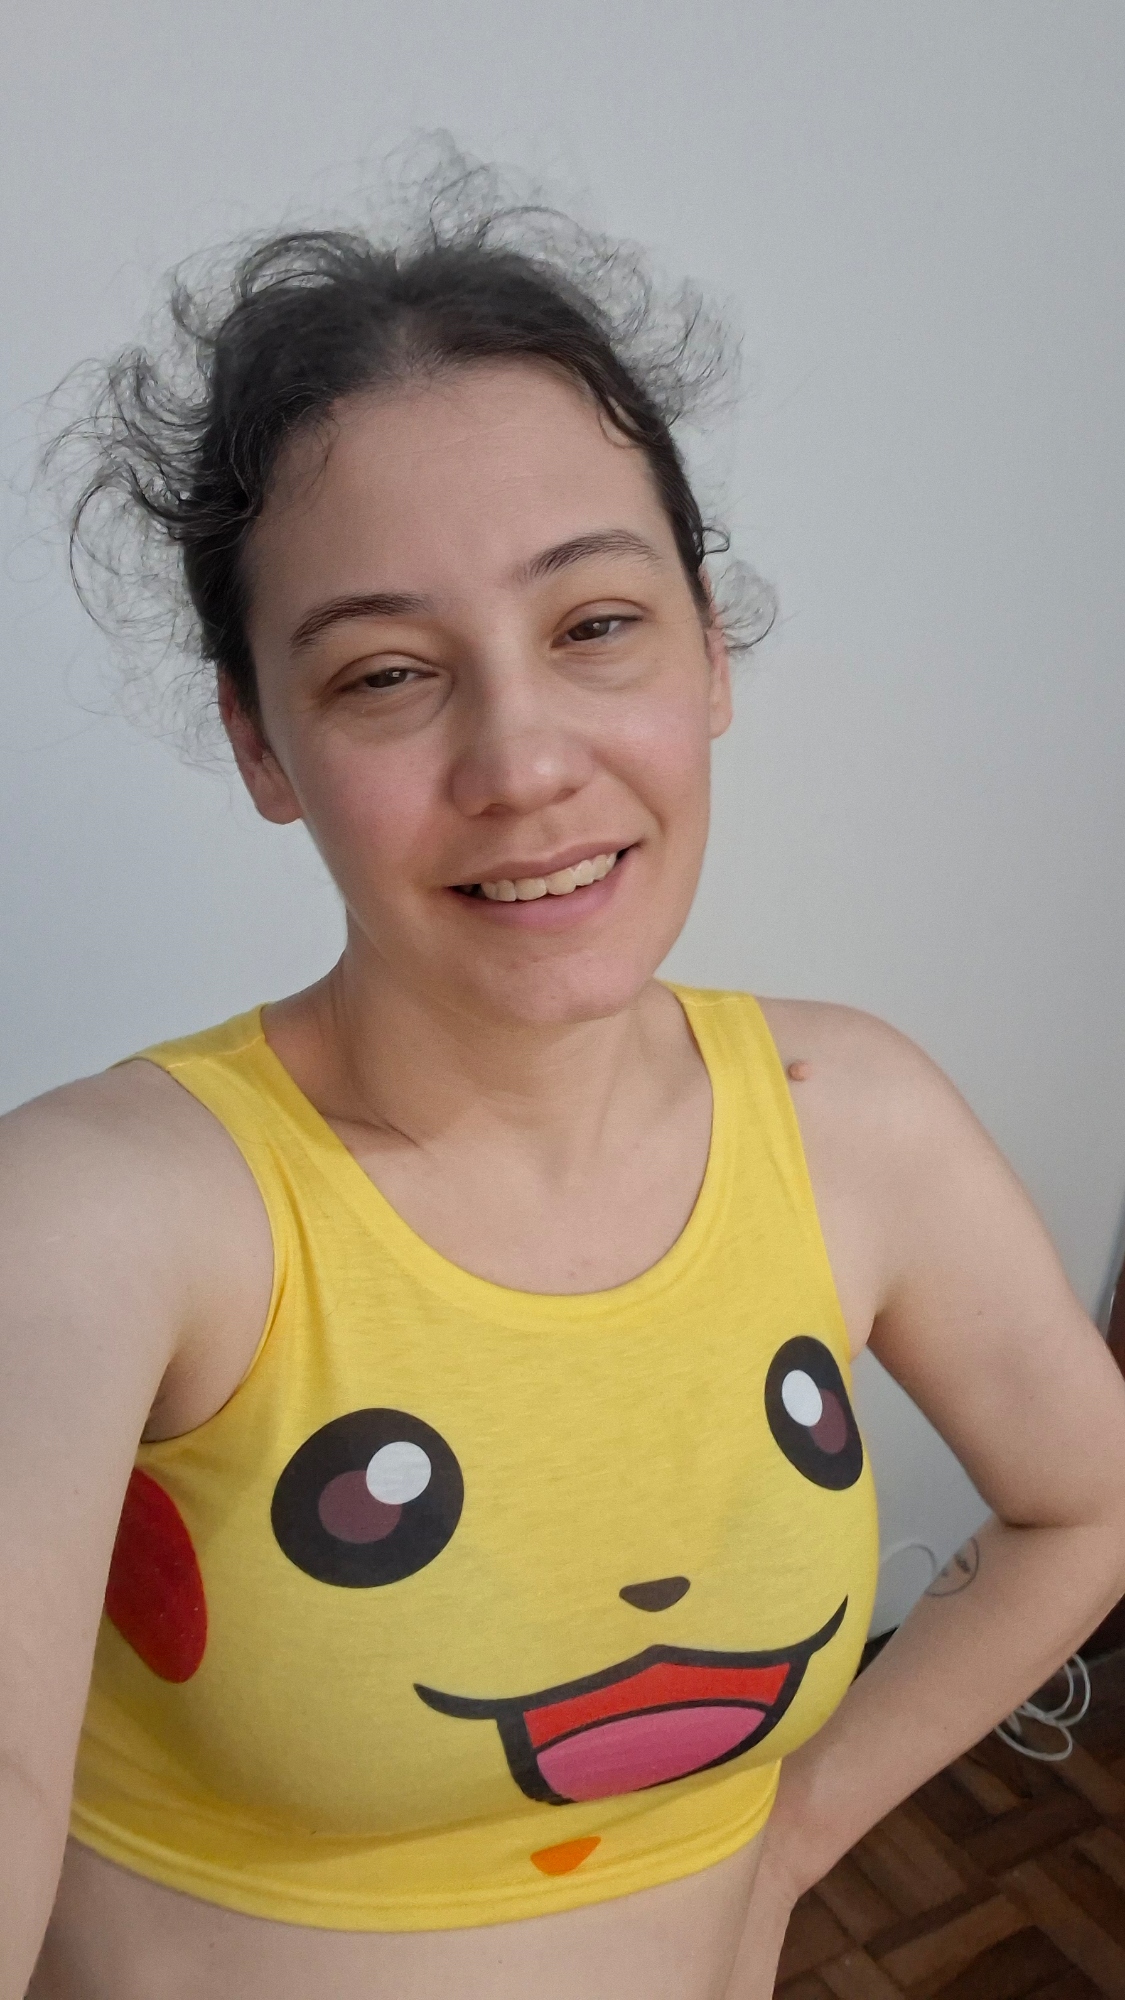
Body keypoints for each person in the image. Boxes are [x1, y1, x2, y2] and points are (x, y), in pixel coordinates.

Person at [5, 174, 1125, 2000]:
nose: (522, 762)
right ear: (260, 745)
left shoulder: (856, 1122)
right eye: (386, 673)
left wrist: (802, 1833)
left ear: (709, 651)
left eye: (595, 625)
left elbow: (1089, 1501)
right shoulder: (97, 1215)